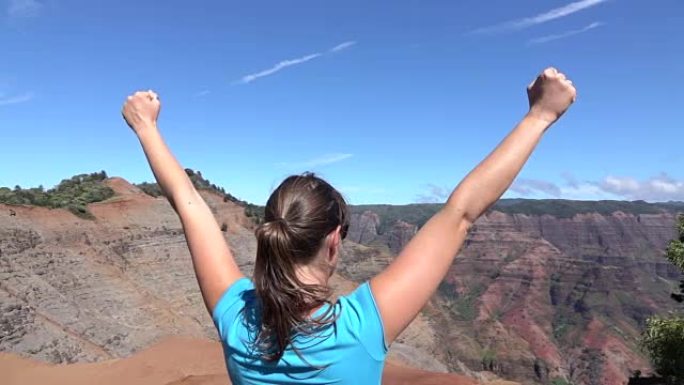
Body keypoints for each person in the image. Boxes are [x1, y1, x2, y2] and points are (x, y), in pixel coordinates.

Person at [122, 67, 576, 385]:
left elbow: (188, 205)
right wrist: (540, 117)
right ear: (335, 240)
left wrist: (147, 129)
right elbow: (459, 213)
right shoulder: (361, 327)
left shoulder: (235, 317)